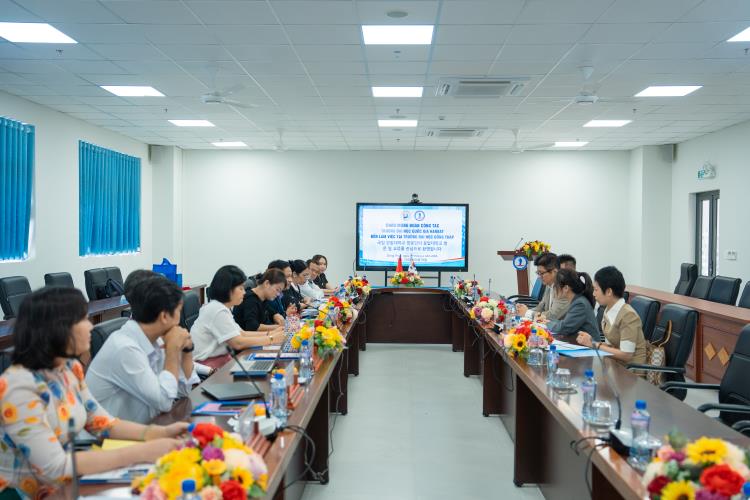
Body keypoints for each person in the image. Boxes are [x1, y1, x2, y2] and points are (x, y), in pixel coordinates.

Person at [0, 287, 186, 498]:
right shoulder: (17, 388)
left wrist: (161, 433)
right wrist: (141, 452)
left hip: (68, 484)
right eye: (83, 319)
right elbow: (55, 468)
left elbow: (102, 423)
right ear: (58, 328)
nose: (90, 326)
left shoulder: (69, 369)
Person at [86, 275, 199, 424]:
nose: (180, 318)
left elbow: (182, 391)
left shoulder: (156, 339)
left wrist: (187, 350)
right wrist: (172, 351)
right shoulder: (125, 349)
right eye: (179, 311)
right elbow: (164, 401)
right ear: (164, 316)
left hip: (145, 426)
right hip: (112, 436)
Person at [191, 265, 285, 368]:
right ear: (228, 288)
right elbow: (238, 343)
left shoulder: (221, 308)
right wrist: (272, 338)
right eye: (240, 288)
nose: (244, 292)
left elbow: (242, 333)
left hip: (221, 361)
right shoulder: (217, 310)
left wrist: (272, 333)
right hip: (209, 367)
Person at [576, 266, 647, 364]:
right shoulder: (608, 310)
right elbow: (612, 346)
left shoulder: (628, 315)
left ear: (609, 291)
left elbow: (626, 355)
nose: (593, 294)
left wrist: (593, 344)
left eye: (596, 290)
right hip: (614, 364)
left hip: (630, 370)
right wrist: (591, 341)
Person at [544, 268, 599, 338]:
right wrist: (546, 320)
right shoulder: (577, 300)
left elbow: (563, 328)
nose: (554, 290)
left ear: (566, 288)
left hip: (589, 344)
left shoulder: (580, 304)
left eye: (556, 286)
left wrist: (546, 323)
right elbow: (565, 323)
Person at [516, 252, 571, 321]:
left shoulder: (564, 288)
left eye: (541, 273)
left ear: (555, 272)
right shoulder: (549, 285)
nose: (539, 277)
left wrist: (527, 313)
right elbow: (541, 307)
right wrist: (522, 311)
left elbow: (552, 316)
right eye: (538, 273)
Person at [233, 268, 287, 334]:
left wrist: (275, 314)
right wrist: (279, 327)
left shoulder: (263, 298)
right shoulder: (250, 299)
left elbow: (269, 310)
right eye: (277, 290)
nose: (278, 294)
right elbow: (252, 327)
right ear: (267, 283)